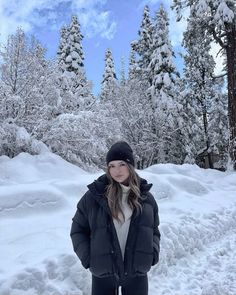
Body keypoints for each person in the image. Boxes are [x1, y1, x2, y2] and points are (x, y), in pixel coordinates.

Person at [70, 141, 160, 295]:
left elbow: (154, 230)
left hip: (136, 272)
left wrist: (152, 252)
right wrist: (89, 258)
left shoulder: (146, 198)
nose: (116, 170)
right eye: (112, 166)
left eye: (121, 164)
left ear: (130, 166)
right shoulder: (94, 196)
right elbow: (78, 230)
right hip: (103, 272)